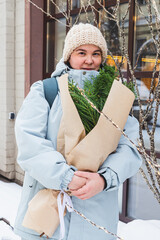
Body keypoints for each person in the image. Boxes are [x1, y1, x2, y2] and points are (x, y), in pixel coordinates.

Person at [14, 23, 142, 240]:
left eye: (96, 53)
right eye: (81, 52)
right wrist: (64, 177)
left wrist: (104, 179)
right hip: (49, 209)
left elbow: (128, 148)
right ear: (68, 56)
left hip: (96, 213)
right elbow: (30, 141)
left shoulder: (115, 97)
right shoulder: (46, 90)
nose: (89, 60)